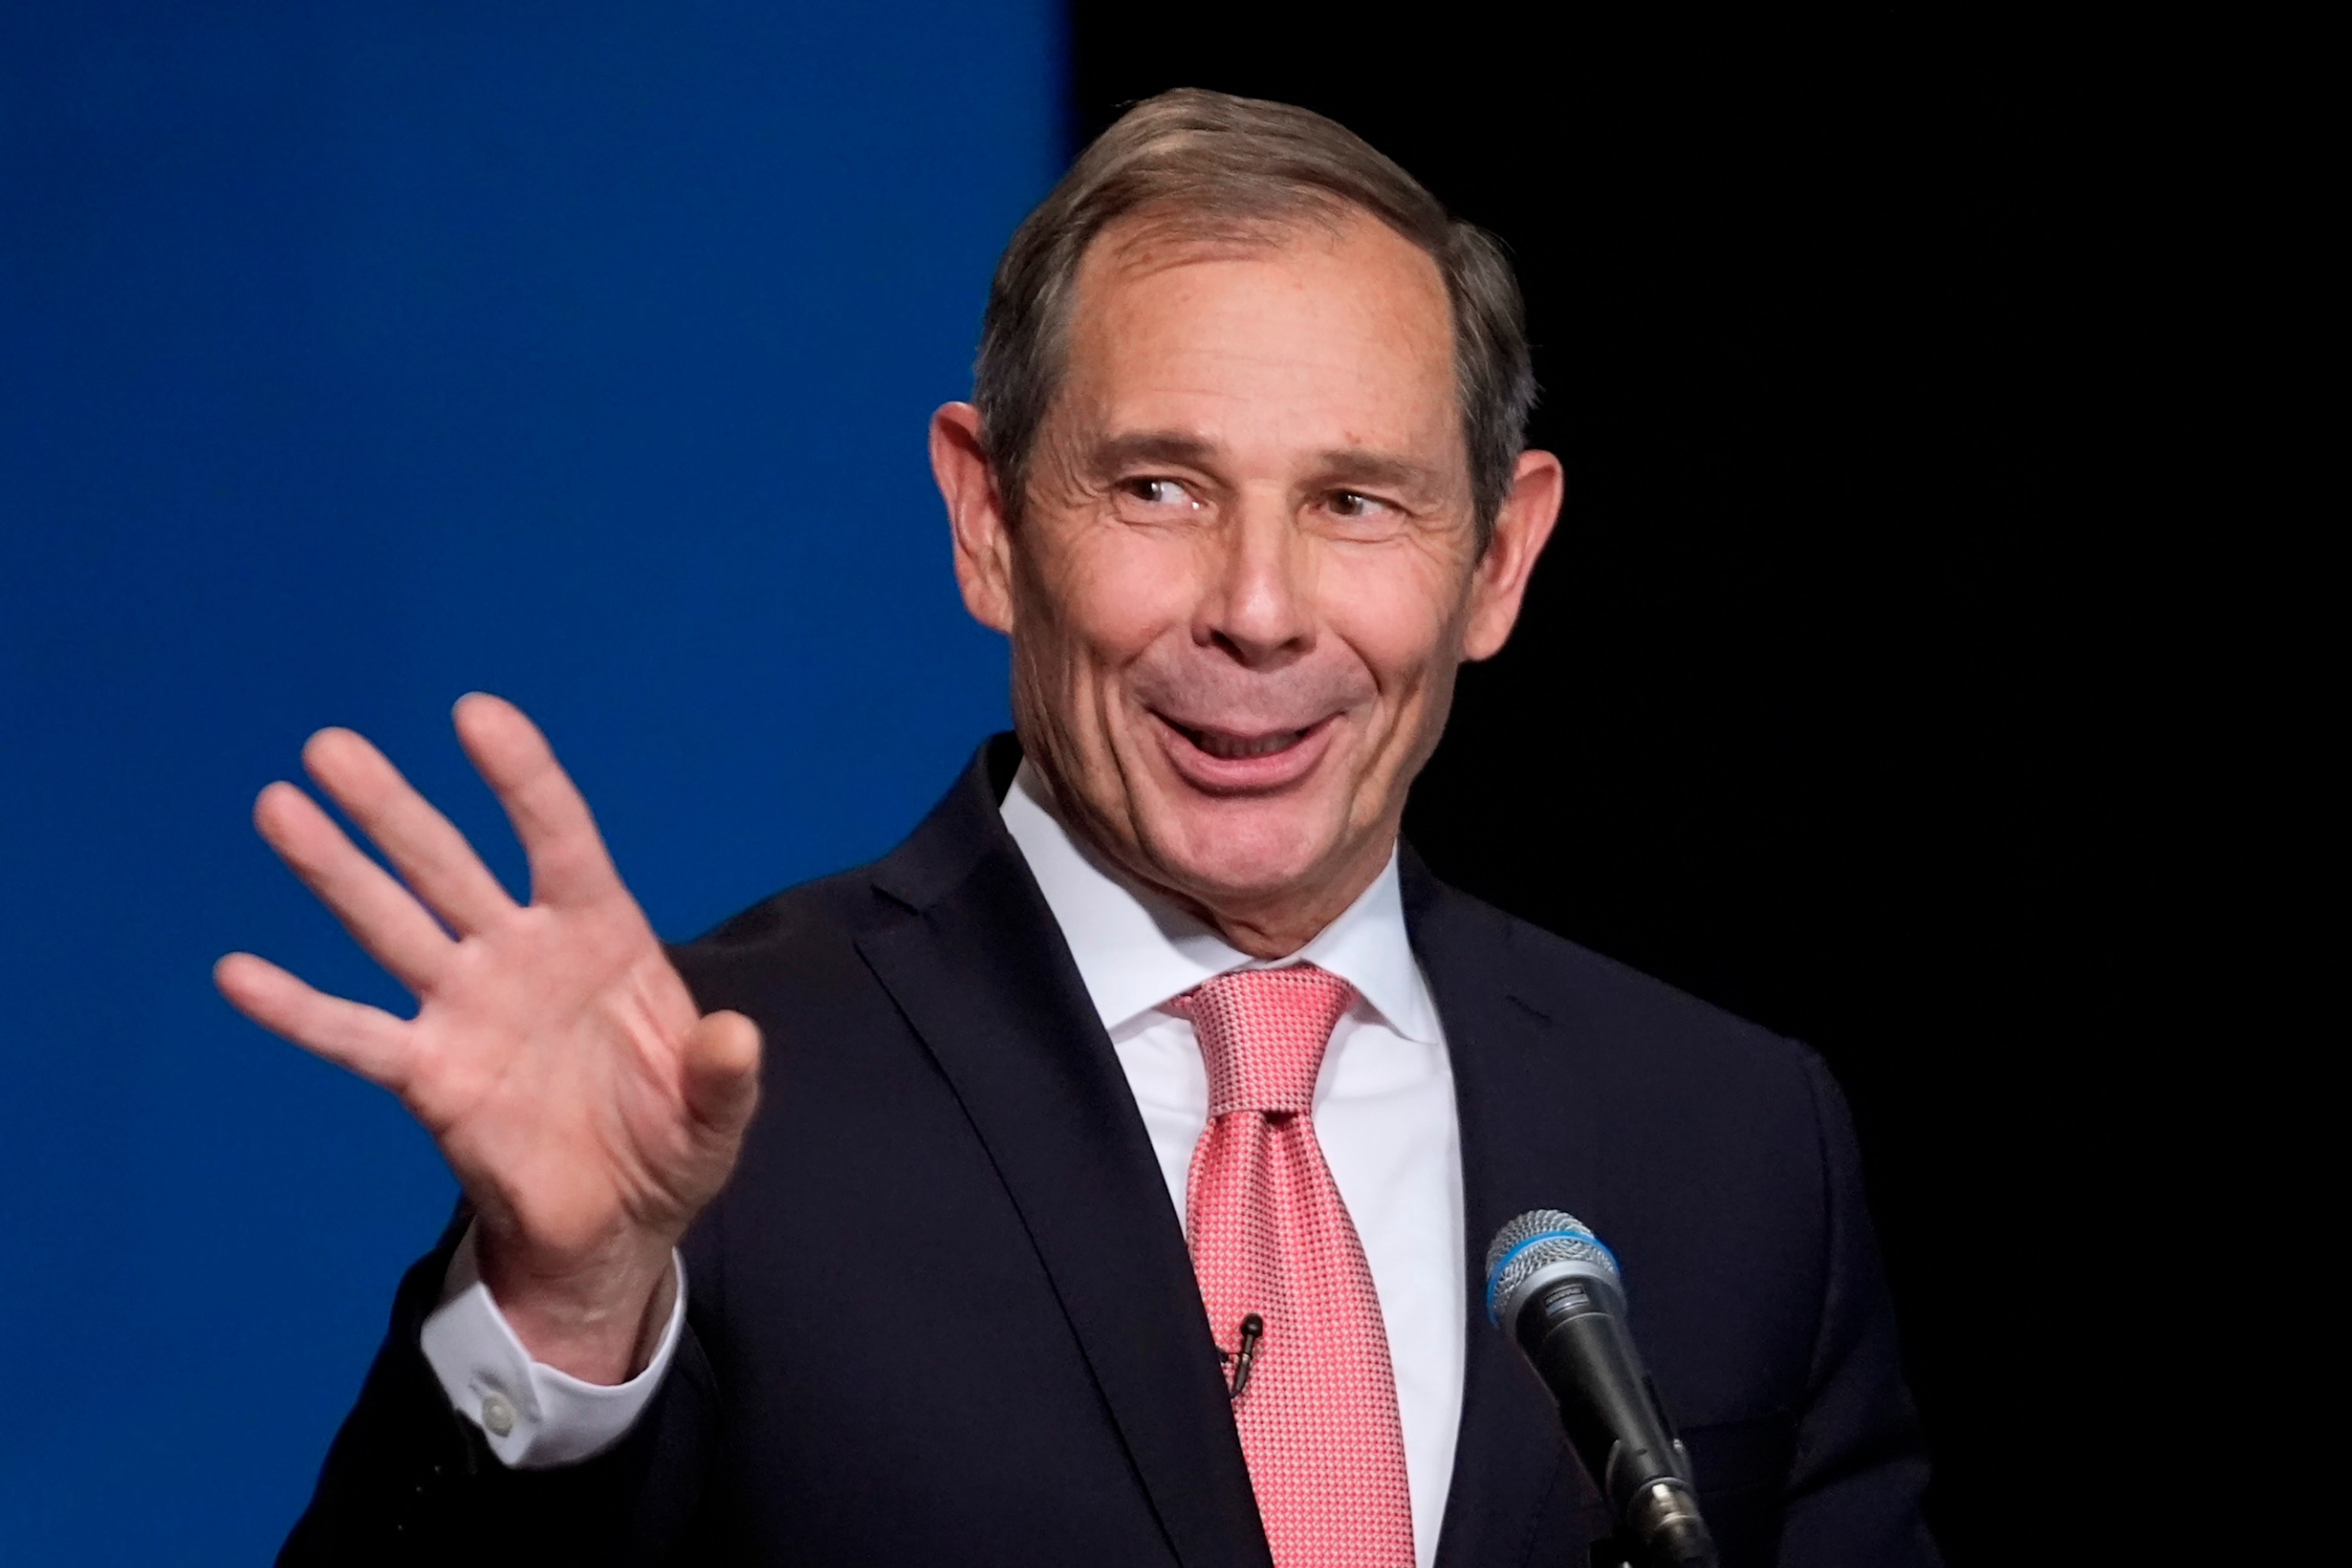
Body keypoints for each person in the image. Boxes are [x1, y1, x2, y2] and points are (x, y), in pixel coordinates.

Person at [220, 90, 1937, 1566]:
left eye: (1355, 502)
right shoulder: (701, 1106)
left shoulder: (1733, 1142)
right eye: (1159, 488)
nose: (1259, 611)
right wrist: (566, 1315)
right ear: (987, 520)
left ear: (1498, 556)